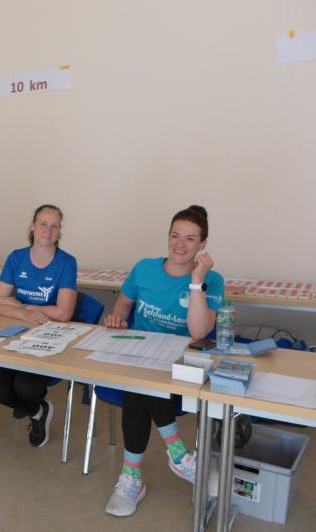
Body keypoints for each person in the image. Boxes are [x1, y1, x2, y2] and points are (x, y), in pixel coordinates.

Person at [103, 205, 223, 517]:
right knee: (141, 381)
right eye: (174, 236)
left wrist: (196, 281)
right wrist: (118, 318)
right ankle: (180, 455)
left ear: (202, 244)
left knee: (140, 386)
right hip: (138, 356)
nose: (179, 245)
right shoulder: (144, 268)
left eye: (190, 239)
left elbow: (199, 331)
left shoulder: (212, 280)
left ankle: (132, 477)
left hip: (182, 366)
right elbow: (123, 304)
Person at [0, 204, 77, 447]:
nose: (48, 230)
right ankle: (38, 411)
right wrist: (23, 314)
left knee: (25, 387)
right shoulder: (16, 258)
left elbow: (64, 313)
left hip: (49, 340)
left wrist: (23, 306)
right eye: (43, 224)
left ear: (60, 231)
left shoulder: (67, 262)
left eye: (55, 226)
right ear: (32, 226)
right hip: (15, 335)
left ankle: (31, 405)